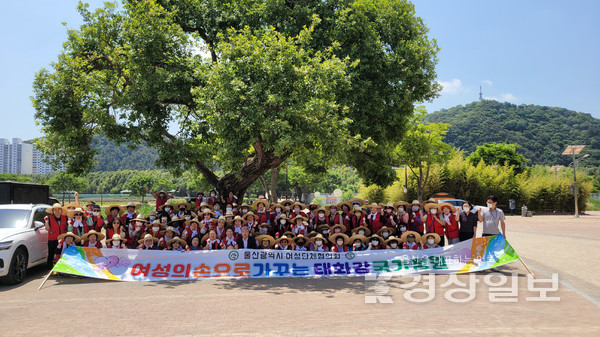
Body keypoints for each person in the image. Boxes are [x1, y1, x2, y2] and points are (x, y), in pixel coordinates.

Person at [44, 203, 69, 269]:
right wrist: (46, 222)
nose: (57, 211)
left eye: (58, 209)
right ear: (53, 211)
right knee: (51, 254)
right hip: (52, 239)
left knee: (62, 254)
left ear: (61, 210)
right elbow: (47, 229)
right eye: (55, 210)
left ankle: (62, 268)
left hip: (62, 239)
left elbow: (67, 228)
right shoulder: (49, 218)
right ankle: (49, 269)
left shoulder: (65, 218)